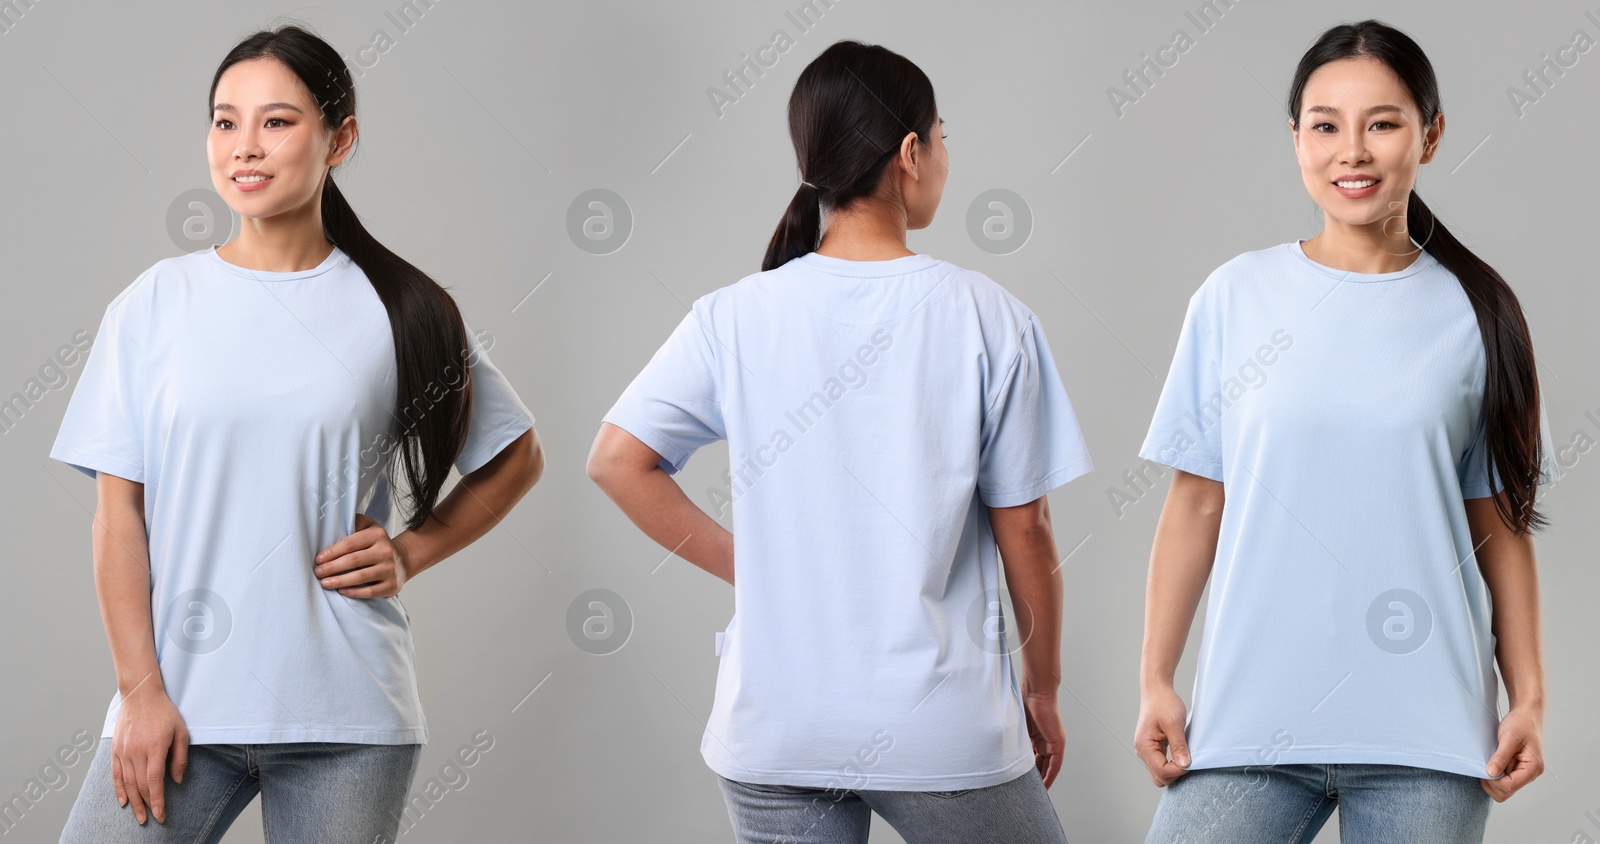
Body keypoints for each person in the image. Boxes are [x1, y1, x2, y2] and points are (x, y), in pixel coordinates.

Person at [588, 39, 1090, 844]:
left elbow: (616, 460)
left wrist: (752, 567)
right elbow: (1024, 528)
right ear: (910, 153)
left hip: (775, 726)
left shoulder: (733, 315)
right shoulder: (987, 316)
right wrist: (1044, 687)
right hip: (942, 726)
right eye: (943, 137)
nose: (946, 159)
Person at [52, 24, 542, 843]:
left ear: (338, 138)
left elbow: (517, 457)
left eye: (276, 122)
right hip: (179, 710)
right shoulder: (155, 305)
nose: (244, 147)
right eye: (224, 121)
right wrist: (139, 693)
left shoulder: (403, 309)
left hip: (348, 720)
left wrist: (410, 551)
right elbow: (117, 518)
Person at [1133, 19, 1558, 844]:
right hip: (1248, 726)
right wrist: (1155, 679)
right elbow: (1194, 506)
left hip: (1426, 741)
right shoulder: (1233, 296)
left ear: (1430, 137)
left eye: (1383, 123)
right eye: (1325, 125)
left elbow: (1500, 527)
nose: (1351, 151)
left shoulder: (1480, 313)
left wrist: (1530, 698)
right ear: (1296, 138)